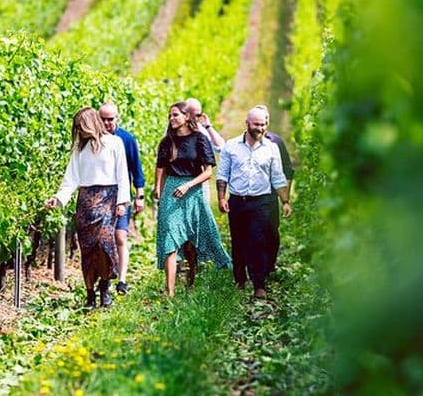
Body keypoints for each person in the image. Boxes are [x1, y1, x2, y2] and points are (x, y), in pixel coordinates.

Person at [45, 107, 130, 308]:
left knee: (105, 245)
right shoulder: (79, 149)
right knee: (88, 250)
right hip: (85, 201)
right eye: (77, 128)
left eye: (81, 127)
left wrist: (122, 202)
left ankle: (105, 288)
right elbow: (71, 179)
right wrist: (57, 199)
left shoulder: (114, 143)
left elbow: (122, 175)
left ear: (91, 124)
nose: (80, 131)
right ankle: (91, 294)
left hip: (107, 198)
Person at [154, 102, 232, 297]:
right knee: (170, 238)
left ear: (186, 117)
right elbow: (161, 168)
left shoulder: (199, 139)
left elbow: (207, 172)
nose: (172, 119)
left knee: (189, 241)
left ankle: (192, 276)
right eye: (170, 116)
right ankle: (170, 291)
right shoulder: (167, 142)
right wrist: (158, 190)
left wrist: (188, 185)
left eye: (175, 115)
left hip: (193, 189)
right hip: (172, 190)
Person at [216, 106, 292, 299]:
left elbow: (278, 177)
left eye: (264, 124)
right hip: (238, 202)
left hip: (262, 202)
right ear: (247, 124)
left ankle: (259, 284)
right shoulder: (231, 147)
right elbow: (222, 175)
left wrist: (285, 201)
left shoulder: (271, 148)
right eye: (257, 124)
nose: (261, 128)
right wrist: (221, 198)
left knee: (258, 241)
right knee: (239, 241)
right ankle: (240, 279)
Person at [99, 102, 145, 295]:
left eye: (111, 119)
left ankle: (122, 279)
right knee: (103, 239)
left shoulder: (126, 139)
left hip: (121, 195)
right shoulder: (95, 140)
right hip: (101, 197)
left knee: (120, 236)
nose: (108, 123)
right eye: (104, 119)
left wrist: (139, 195)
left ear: (117, 118)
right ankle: (106, 276)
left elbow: (137, 168)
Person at [255, 105, 294, 274]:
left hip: (271, 195)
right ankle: (256, 267)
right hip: (252, 195)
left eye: (265, 121)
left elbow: (287, 170)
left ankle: (270, 264)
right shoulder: (243, 142)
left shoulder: (276, 142)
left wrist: (285, 198)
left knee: (271, 231)